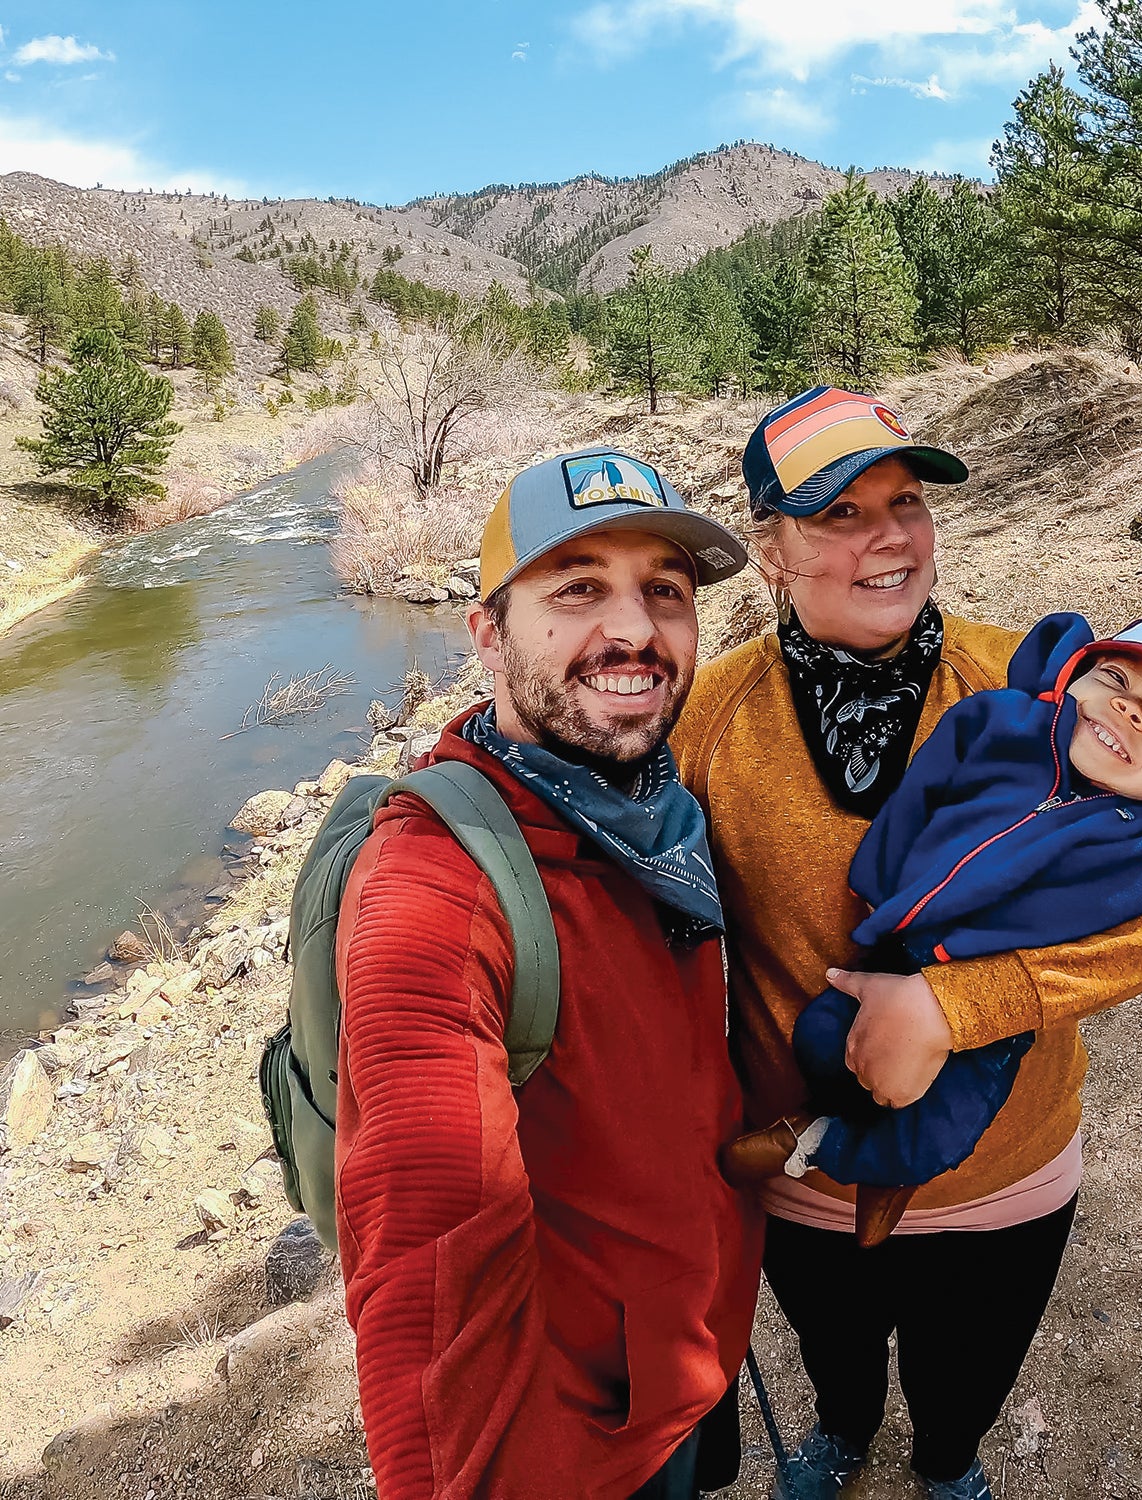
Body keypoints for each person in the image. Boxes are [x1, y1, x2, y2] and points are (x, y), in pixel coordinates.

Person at [671, 387, 1142, 1500]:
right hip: (797, 1169)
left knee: (963, 1374)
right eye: (841, 513)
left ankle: (947, 1461)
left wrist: (953, 1010)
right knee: (836, 1356)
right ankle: (839, 1433)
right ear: (773, 549)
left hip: (1006, 1166)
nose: (891, 536)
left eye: (909, 502)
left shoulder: (1035, 690)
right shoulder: (708, 718)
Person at [334, 448, 761, 1500]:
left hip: (689, 1344)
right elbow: (425, 1270)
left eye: (664, 590)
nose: (633, 630)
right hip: (586, 1438)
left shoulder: (655, 806)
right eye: (577, 590)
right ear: (486, 634)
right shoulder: (435, 885)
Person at [720, 608, 1142, 1246]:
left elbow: (1122, 916)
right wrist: (882, 885)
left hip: (982, 1001)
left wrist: (957, 995)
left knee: (943, 1124)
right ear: (1072, 674)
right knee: (821, 1036)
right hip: (898, 944)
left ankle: (828, 1150)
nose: (1129, 712)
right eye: (1115, 679)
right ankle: (830, 1124)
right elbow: (926, 788)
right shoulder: (1005, 720)